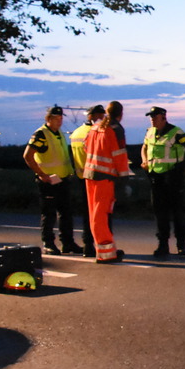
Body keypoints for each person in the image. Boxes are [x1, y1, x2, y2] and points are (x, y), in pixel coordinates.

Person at [22, 105, 83, 256]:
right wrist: (42, 174)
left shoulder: (59, 133)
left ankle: (67, 243)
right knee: (49, 214)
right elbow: (27, 156)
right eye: (56, 119)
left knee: (66, 213)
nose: (59, 121)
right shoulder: (41, 134)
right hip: (48, 182)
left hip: (62, 180)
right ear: (48, 119)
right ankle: (48, 243)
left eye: (61, 118)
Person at [141, 106, 185, 257]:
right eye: (151, 117)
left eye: (155, 117)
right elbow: (144, 147)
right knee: (159, 212)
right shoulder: (150, 131)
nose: (152, 120)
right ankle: (163, 245)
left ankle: (181, 244)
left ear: (163, 117)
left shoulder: (176, 132)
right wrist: (144, 161)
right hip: (156, 177)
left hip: (173, 176)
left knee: (177, 211)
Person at [82, 101, 131, 263]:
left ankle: (103, 249)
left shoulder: (96, 127)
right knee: (101, 215)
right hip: (105, 177)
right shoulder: (116, 130)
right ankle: (106, 252)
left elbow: (85, 147)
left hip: (90, 175)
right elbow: (120, 156)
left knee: (95, 214)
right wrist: (124, 181)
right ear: (121, 114)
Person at [68, 104, 105, 257]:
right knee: (99, 214)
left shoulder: (76, 132)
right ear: (94, 116)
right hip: (95, 178)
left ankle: (87, 245)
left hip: (81, 177)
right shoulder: (94, 132)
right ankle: (99, 245)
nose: (103, 119)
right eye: (102, 116)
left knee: (87, 213)